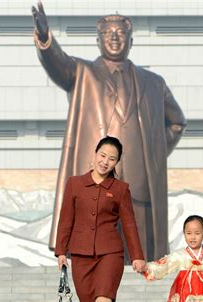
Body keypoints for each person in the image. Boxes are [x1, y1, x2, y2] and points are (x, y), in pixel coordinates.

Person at [32, 1, 187, 261]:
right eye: (107, 33)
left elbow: (177, 123)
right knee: (91, 251)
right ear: (98, 39)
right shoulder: (82, 73)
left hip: (138, 184)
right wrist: (46, 39)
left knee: (138, 255)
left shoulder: (154, 83)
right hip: (95, 178)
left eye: (121, 33)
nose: (114, 38)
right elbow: (57, 63)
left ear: (131, 40)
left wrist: (152, 154)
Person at [55, 136, 146, 302]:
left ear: (116, 163)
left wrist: (138, 256)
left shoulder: (121, 188)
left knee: (104, 299)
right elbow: (66, 218)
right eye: (102, 155)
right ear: (95, 154)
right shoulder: (75, 184)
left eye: (112, 159)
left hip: (110, 252)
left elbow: (130, 224)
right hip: (80, 253)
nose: (105, 161)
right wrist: (61, 251)